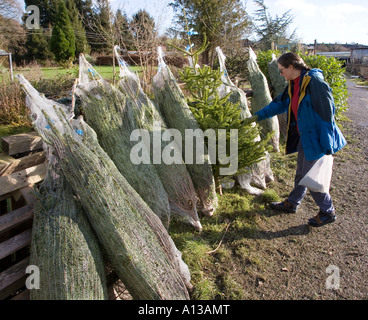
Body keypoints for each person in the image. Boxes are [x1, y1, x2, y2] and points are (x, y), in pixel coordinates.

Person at [246, 52, 346, 227]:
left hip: (316, 140)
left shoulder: (314, 83)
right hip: (304, 137)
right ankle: (292, 203)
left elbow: (327, 114)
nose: (280, 74)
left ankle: (327, 211)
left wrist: (327, 142)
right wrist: (257, 117)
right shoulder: (294, 84)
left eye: (282, 70)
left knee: (313, 178)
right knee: (301, 173)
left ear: (291, 67)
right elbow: (280, 103)